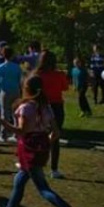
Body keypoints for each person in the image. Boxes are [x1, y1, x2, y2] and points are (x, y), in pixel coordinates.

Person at [0, 76, 87, 207]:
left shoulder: (26, 108)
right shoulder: (45, 107)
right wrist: (46, 143)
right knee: (19, 181)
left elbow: (21, 131)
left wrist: (0, 120)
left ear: (26, 89)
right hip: (40, 147)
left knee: (43, 189)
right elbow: (55, 132)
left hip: (28, 149)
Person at [34, 50, 69, 178]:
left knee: (38, 135)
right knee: (55, 137)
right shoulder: (59, 74)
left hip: (41, 106)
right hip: (56, 106)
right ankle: (54, 169)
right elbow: (65, 87)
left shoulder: (37, 75)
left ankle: (35, 164)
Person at [0, 46, 23, 143]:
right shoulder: (17, 67)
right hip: (16, 91)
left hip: (5, 91)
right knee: (16, 113)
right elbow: (20, 80)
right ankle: (16, 134)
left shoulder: (1, 67)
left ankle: (3, 135)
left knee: (4, 113)